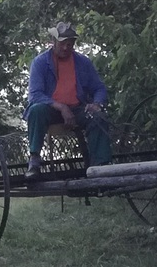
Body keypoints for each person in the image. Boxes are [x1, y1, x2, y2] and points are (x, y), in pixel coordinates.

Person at [25, 21, 113, 174]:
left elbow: (99, 88)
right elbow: (35, 95)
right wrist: (61, 107)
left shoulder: (83, 62)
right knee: (36, 110)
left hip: (77, 108)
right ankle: (34, 160)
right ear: (54, 42)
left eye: (70, 44)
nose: (66, 48)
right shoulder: (40, 62)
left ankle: (100, 166)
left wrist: (97, 103)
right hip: (51, 109)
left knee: (98, 117)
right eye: (63, 44)